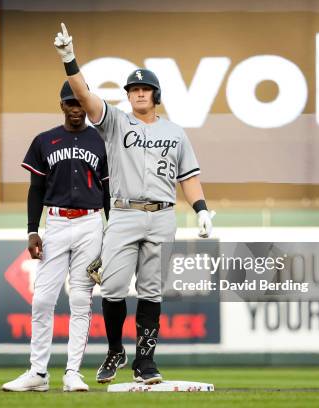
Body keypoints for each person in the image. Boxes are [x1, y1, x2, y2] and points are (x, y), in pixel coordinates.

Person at [53, 23, 215, 385]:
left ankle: (145, 360)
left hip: (162, 215)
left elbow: (187, 176)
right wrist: (69, 59)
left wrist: (201, 208)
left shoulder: (175, 132)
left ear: (155, 95)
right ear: (128, 95)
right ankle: (115, 350)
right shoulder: (114, 122)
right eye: (134, 89)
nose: (139, 93)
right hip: (124, 212)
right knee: (111, 287)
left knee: (151, 291)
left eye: (145, 89)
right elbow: (85, 94)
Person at [1, 81, 110, 392]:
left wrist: (111, 229)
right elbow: (36, 189)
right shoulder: (45, 140)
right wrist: (32, 230)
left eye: (80, 103)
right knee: (44, 298)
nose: (76, 109)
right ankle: (38, 372)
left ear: (88, 105)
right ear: (62, 105)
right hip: (57, 223)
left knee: (80, 299)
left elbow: (107, 191)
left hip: (90, 223)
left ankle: (73, 372)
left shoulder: (101, 141)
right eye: (70, 103)